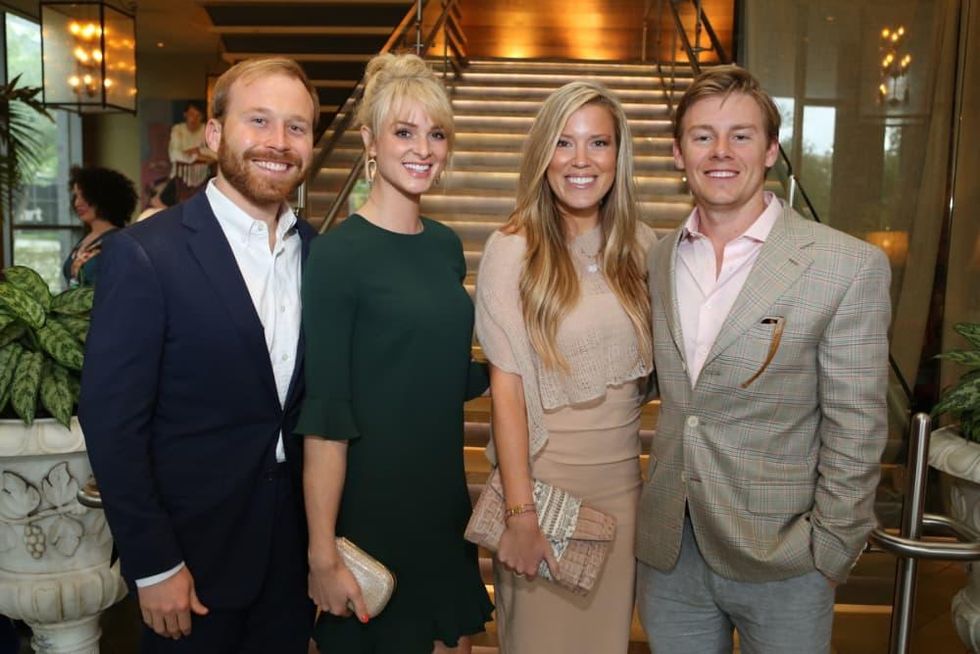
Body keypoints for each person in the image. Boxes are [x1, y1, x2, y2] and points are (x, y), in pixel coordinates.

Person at [636, 65, 891, 654]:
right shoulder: (657, 256)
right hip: (672, 553)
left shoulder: (845, 265)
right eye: (703, 136)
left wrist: (830, 551)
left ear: (771, 149)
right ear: (679, 153)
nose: (720, 152)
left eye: (741, 135)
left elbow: (857, 424)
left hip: (785, 559)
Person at [79, 56, 320, 653]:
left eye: (297, 127)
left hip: (291, 568)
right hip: (188, 568)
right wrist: (153, 564)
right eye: (258, 120)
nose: (278, 143)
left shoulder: (319, 255)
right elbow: (113, 424)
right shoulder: (144, 255)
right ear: (213, 136)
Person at [299, 52, 492, 654]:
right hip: (371, 513)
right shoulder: (337, 257)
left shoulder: (444, 246)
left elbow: (438, 373)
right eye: (404, 131)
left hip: (441, 505)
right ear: (369, 142)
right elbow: (326, 417)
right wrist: (322, 550)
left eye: (437, 133)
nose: (424, 148)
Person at [474, 81, 656, 652]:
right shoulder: (514, 248)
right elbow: (507, 391)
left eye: (598, 143)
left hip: (623, 489)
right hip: (546, 492)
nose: (581, 161)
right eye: (564, 143)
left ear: (618, 155)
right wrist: (521, 515)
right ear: (542, 156)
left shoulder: (643, 247)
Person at [62, 165, 137, 287]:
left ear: (103, 197)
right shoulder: (85, 239)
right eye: (76, 196)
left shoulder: (120, 242)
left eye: (84, 196)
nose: (77, 203)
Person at [168, 101, 215, 201]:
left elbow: (217, 154)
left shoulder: (206, 129)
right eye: (191, 115)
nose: (194, 119)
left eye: (198, 115)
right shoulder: (178, 129)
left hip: (203, 178)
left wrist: (198, 151)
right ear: (185, 115)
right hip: (180, 178)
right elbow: (174, 155)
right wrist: (200, 157)